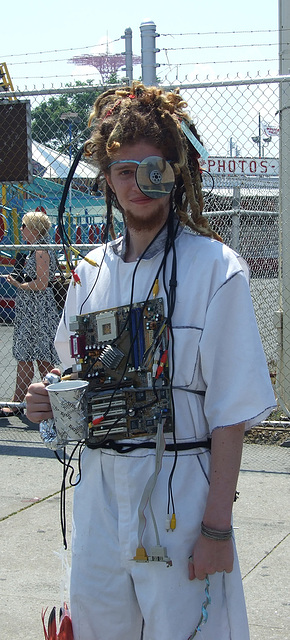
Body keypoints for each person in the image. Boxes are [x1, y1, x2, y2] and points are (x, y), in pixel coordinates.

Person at [26, 84, 276, 640]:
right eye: (122, 168)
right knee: (97, 626)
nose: (137, 182)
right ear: (106, 177)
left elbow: (230, 412)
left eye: (152, 167)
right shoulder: (89, 272)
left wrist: (216, 528)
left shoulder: (217, 268)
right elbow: (73, 381)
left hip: (179, 497)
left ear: (176, 170)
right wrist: (48, 402)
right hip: (97, 495)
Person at [1, 211, 60, 417]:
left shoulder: (40, 251)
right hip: (31, 309)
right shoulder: (35, 249)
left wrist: (19, 284)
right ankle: (20, 401)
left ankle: (49, 400)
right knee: (27, 356)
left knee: (42, 358)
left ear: (33, 228)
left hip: (38, 310)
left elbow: (42, 284)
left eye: (24, 226)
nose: (21, 230)